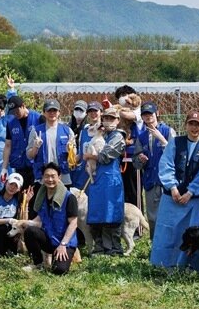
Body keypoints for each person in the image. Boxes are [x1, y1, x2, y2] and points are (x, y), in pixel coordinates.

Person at [149, 111, 199, 271]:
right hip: (172, 198)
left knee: (196, 233)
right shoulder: (175, 143)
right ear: (186, 125)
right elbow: (166, 165)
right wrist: (173, 188)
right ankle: (163, 265)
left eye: (198, 125)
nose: (194, 128)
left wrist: (190, 192)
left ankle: (193, 266)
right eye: (191, 124)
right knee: (167, 232)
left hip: (194, 201)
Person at [21, 163, 82, 275]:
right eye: (47, 176)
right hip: (49, 238)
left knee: (59, 271)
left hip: (65, 242)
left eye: (53, 176)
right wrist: (24, 221)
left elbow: (73, 223)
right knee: (30, 231)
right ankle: (38, 264)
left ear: (59, 177)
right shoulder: (41, 196)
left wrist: (63, 244)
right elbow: (39, 219)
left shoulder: (69, 197)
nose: (50, 179)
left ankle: (61, 257)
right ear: (43, 178)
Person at [83, 108, 128, 255]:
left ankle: (114, 247)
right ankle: (99, 246)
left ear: (117, 120)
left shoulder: (118, 136)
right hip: (96, 179)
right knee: (96, 212)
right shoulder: (101, 134)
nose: (108, 121)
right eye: (106, 118)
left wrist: (89, 155)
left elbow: (105, 156)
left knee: (112, 212)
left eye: (111, 118)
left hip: (111, 180)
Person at [135, 104, 173, 233]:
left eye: (150, 113)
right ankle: (155, 246)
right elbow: (136, 163)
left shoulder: (167, 131)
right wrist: (140, 159)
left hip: (167, 181)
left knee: (169, 215)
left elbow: (176, 154)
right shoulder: (141, 136)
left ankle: (170, 246)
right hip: (150, 180)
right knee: (152, 217)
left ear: (157, 113)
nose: (148, 116)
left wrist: (162, 139)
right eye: (145, 114)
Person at [26, 99, 76, 187]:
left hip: (63, 177)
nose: (52, 113)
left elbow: (74, 156)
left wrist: (70, 150)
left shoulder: (67, 131)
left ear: (59, 112)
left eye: (54, 110)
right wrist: (36, 147)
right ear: (44, 113)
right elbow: (29, 155)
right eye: (49, 110)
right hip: (42, 177)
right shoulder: (36, 131)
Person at [0, 173, 30, 259]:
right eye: (11, 184)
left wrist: (26, 203)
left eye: (16, 186)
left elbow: (24, 221)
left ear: (19, 189)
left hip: (10, 231)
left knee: (11, 229)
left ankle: (9, 250)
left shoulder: (17, 201)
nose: (12, 187)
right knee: (2, 228)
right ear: (6, 183)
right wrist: (8, 220)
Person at [2, 95, 41, 188]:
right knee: (21, 195)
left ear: (23, 106)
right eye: (13, 112)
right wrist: (4, 168)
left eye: (17, 111)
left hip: (35, 165)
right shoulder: (11, 123)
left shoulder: (38, 118)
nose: (15, 114)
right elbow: (8, 145)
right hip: (20, 165)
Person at [69, 101, 102, 190]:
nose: (93, 113)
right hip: (84, 173)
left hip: (100, 172)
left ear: (101, 112)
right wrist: (70, 158)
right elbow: (80, 154)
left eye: (95, 111)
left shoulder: (105, 131)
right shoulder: (83, 132)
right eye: (90, 111)